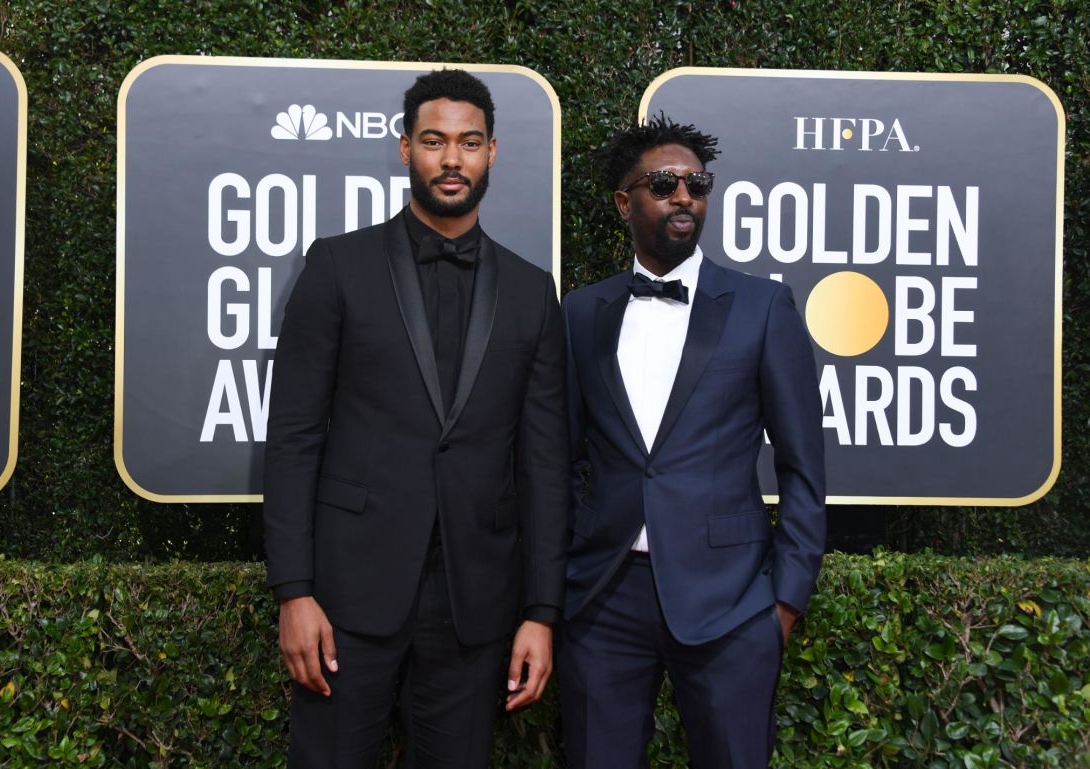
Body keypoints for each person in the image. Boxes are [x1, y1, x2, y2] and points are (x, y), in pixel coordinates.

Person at [262, 68, 569, 769]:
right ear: (405, 149)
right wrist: (294, 591)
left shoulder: (531, 291)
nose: (451, 159)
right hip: (347, 593)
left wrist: (542, 611)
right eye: (434, 141)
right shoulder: (338, 266)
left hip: (477, 602)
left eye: (468, 142)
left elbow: (546, 462)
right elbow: (294, 438)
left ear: (493, 151)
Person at [558, 114, 826, 769]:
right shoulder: (581, 312)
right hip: (603, 597)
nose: (685, 196)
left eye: (696, 183)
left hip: (732, 602)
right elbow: (556, 459)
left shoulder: (762, 307)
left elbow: (803, 467)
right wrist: (559, 579)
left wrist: (783, 602)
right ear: (625, 201)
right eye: (664, 183)